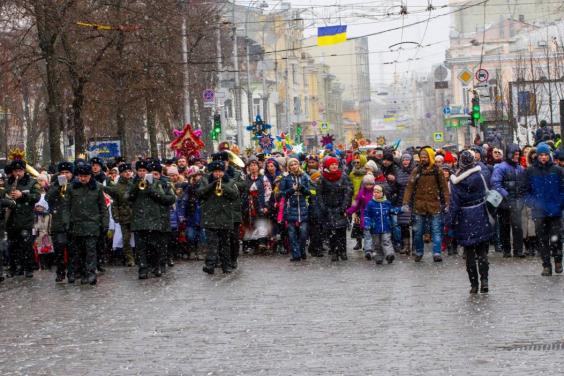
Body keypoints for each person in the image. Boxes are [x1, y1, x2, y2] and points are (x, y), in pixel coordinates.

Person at [446, 150, 493, 293]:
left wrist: (449, 221)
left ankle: (474, 285)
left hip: (464, 217)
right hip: (480, 214)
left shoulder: (456, 182)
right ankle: (484, 280)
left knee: (469, 253)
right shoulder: (480, 175)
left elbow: (454, 204)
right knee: (482, 251)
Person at [402, 147, 449, 262]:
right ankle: (419, 252)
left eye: (425, 157)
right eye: (421, 157)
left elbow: (444, 188)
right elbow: (409, 187)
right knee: (418, 231)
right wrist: (405, 202)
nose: (423, 159)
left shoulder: (437, 170)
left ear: (430, 157)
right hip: (419, 205)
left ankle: (437, 253)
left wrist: (447, 203)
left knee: (436, 230)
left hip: (434, 205)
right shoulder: (416, 170)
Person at [524, 142, 564, 276]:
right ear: (537, 156)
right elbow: (525, 192)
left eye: (545, 155)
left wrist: (560, 203)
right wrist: (533, 203)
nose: (543, 157)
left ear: (549, 155)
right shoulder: (530, 171)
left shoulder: (557, 170)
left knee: (556, 238)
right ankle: (546, 265)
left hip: (555, 211)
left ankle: (558, 261)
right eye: (541, 155)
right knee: (542, 240)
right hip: (539, 212)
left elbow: (563, 189)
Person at [67, 164, 109, 285]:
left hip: (92, 224)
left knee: (91, 250)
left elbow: (103, 207)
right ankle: (83, 273)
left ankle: (91, 273)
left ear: (90, 176)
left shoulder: (97, 187)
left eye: (85, 176)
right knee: (79, 251)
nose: (83, 179)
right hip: (77, 224)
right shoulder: (72, 188)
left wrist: (104, 223)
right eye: (81, 176)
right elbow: (66, 206)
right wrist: (67, 222)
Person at [129, 160, 170, 279]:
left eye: (144, 171)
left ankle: (156, 266)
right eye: (140, 171)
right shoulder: (134, 183)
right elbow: (128, 197)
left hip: (153, 219)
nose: (142, 173)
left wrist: (150, 189)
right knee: (140, 247)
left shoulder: (157, 183)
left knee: (154, 246)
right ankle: (143, 269)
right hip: (139, 220)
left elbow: (164, 198)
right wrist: (137, 187)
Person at [198, 160, 239, 274]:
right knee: (212, 243)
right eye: (216, 172)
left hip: (225, 216)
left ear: (223, 171)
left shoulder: (230, 181)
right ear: (212, 172)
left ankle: (226, 265)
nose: (218, 174)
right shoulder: (205, 180)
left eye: (220, 171)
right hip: (210, 216)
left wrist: (223, 186)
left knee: (225, 243)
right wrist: (212, 185)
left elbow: (235, 195)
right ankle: (210, 265)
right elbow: (199, 193)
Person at [6, 159, 41, 278]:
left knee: (26, 245)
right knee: (12, 246)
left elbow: (36, 197)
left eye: (20, 170)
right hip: (12, 220)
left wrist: (23, 195)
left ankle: (28, 268)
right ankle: (15, 268)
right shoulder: (8, 183)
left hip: (26, 220)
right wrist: (8, 199)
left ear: (24, 171)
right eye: (15, 171)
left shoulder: (31, 182)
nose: (17, 173)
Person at [491, 144, 527, 258]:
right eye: (515, 154)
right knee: (504, 227)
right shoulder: (501, 167)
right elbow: (495, 184)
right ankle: (507, 250)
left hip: (516, 202)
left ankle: (518, 250)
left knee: (517, 227)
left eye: (518, 154)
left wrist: (521, 197)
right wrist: (506, 195)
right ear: (510, 154)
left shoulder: (520, 168)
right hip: (504, 203)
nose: (517, 156)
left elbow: (523, 185)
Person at [317, 157, 352, 261]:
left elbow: (348, 192)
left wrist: (344, 206)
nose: (334, 166)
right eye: (331, 164)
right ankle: (334, 251)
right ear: (327, 166)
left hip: (340, 208)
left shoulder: (343, 176)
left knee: (341, 231)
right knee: (331, 232)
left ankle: (343, 251)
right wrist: (323, 206)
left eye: (335, 164)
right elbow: (319, 194)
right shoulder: (323, 178)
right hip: (328, 209)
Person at [46, 161, 73, 281]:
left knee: (73, 250)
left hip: (73, 222)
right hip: (58, 222)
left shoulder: (76, 184)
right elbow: (48, 198)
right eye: (62, 172)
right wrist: (58, 186)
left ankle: (72, 272)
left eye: (67, 172)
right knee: (59, 250)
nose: (65, 175)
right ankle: (60, 272)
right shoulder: (55, 185)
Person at [279, 158, 310, 262]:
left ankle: (302, 251)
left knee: (303, 233)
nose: (293, 166)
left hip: (303, 208)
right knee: (292, 234)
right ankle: (296, 254)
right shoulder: (286, 178)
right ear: (288, 167)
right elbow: (281, 193)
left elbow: (309, 192)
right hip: (290, 209)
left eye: (295, 164)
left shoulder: (304, 176)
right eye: (291, 165)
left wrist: (302, 188)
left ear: (298, 165)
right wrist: (292, 189)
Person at [104, 163, 135, 266]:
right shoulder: (118, 186)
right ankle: (129, 258)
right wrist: (116, 216)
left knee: (138, 238)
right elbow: (115, 203)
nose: (127, 173)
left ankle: (139, 256)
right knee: (126, 239)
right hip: (124, 215)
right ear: (121, 173)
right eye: (125, 172)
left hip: (136, 215)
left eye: (129, 171)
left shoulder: (134, 183)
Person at [364, 184, 397, 265]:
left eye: (378, 192)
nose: (375, 194)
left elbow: (392, 210)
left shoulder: (387, 203)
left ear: (382, 193)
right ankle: (379, 257)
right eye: (374, 192)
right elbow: (366, 215)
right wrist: (367, 223)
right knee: (377, 243)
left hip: (386, 227)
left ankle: (389, 255)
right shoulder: (370, 204)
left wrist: (401, 209)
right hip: (375, 228)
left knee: (386, 241)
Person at [347, 174, 376, 260]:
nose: (369, 186)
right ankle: (368, 251)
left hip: (376, 218)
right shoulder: (361, 193)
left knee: (375, 235)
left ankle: (374, 250)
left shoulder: (376, 192)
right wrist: (349, 211)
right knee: (367, 235)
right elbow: (356, 204)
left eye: (370, 184)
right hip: (366, 218)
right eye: (367, 184)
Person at [396, 153, 415, 254]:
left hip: (414, 201)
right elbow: (396, 186)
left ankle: (415, 247)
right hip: (402, 201)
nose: (405, 162)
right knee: (404, 225)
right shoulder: (399, 172)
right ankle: (406, 246)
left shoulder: (415, 171)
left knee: (415, 226)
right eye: (404, 160)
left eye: (407, 160)